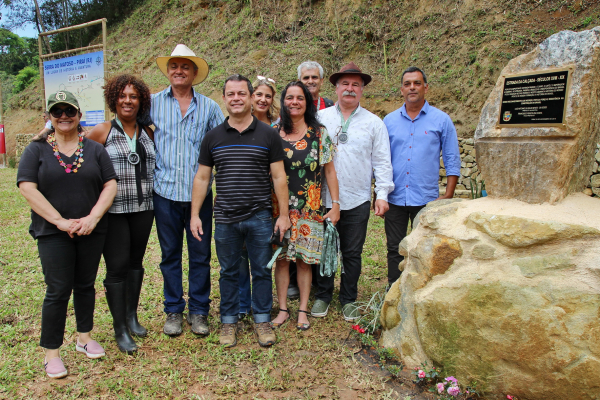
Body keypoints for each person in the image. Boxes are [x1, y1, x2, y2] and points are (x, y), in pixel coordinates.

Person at [17, 91, 118, 378]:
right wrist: (59, 221)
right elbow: (27, 187)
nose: (64, 116)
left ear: (79, 115)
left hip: (91, 229)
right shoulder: (36, 150)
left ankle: (84, 338)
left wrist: (93, 217)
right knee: (58, 289)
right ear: (49, 116)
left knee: (86, 284)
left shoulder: (94, 149)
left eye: (69, 111)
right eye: (57, 111)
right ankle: (52, 354)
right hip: (52, 231)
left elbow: (110, 184)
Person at [190, 74, 291, 348]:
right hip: (225, 217)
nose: (236, 98)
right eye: (230, 94)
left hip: (259, 216)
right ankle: (229, 321)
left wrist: (283, 215)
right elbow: (202, 178)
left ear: (250, 97)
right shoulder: (212, 137)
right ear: (224, 98)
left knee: (260, 270)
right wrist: (195, 214)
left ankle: (262, 320)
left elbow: (279, 177)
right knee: (228, 271)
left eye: (241, 94)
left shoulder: (269, 134)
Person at [151, 44, 225, 337]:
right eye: (174, 66)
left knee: (200, 254)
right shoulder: (153, 103)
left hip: (200, 197)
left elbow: (223, 144)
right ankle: (173, 310)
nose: (178, 71)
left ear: (195, 73)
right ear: (168, 71)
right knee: (169, 255)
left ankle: (199, 311)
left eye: (185, 67)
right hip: (164, 193)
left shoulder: (209, 107)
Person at [313, 62, 394, 321]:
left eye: (355, 85)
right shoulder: (321, 118)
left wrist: (381, 194)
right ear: (335, 88)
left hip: (358, 198)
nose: (350, 89)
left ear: (362, 90)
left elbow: (382, 161)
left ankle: (348, 298)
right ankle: (323, 295)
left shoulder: (374, 123)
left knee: (352, 252)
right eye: (345, 84)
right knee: (324, 248)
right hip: (323, 198)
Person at [87, 74, 155, 354]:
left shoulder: (148, 131)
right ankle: (120, 329)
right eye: (122, 96)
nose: (128, 101)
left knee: (136, 263)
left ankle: (131, 316)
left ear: (141, 102)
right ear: (113, 99)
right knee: (116, 268)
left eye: (133, 96)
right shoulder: (102, 131)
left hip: (143, 208)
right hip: (113, 212)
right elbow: (80, 158)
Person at [270, 81, 340, 331]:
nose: (294, 102)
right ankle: (282, 310)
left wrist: (336, 204)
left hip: (310, 209)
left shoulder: (319, 133)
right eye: (290, 97)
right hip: (278, 210)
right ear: (283, 101)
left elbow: (330, 171)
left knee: (304, 261)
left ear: (307, 102)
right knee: (281, 260)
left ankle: (302, 311)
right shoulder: (273, 132)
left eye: (300, 98)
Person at [383, 66, 460, 286]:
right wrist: (380, 194)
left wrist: (448, 194)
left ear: (426, 87)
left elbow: (452, 157)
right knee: (394, 248)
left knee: (424, 248)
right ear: (401, 90)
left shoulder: (441, 120)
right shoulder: (389, 121)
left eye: (417, 83)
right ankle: (393, 291)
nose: (412, 88)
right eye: (407, 84)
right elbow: (381, 160)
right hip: (395, 197)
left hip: (427, 199)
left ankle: (421, 290)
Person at [288, 61, 336, 299]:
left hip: (313, 195)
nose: (310, 82)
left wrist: (335, 201)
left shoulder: (328, 111)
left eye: (314, 78)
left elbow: (329, 168)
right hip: (287, 196)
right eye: (305, 78)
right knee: (288, 246)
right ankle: (293, 285)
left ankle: (316, 286)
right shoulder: (282, 124)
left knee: (312, 241)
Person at [236, 75, 281, 321]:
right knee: (241, 252)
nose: (263, 99)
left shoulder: (277, 129)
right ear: (250, 97)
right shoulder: (237, 125)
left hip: (271, 199)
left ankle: (263, 304)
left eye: (268, 96)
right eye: (259, 95)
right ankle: (243, 303)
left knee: (264, 254)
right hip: (242, 199)